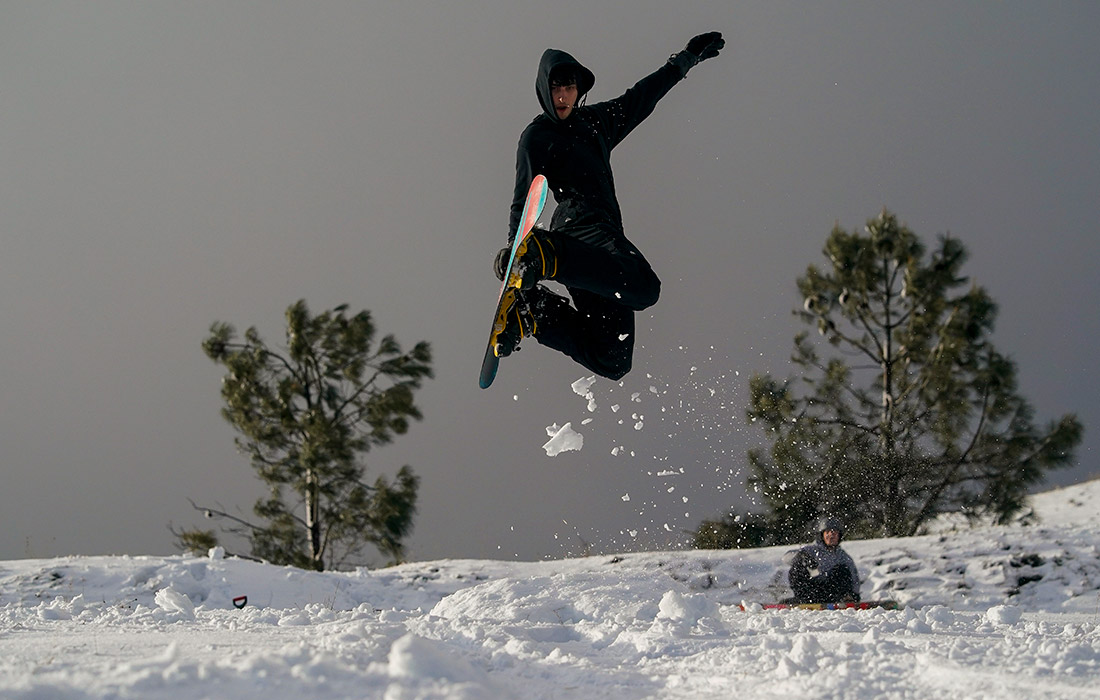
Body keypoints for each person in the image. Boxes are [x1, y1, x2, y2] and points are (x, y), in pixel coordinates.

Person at [493, 32, 725, 380]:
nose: (562, 96)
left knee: (612, 358)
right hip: (577, 229)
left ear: (578, 90)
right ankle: (545, 256)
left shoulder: (596, 123)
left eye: (569, 88)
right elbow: (523, 200)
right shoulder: (537, 137)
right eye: (555, 88)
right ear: (544, 89)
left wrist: (686, 59)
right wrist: (518, 253)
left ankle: (533, 312)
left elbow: (641, 98)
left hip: (595, 253)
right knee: (644, 288)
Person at [785, 517, 861, 604]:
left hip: (831, 593)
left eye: (835, 533)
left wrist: (855, 594)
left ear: (839, 536)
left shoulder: (843, 557)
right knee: (796, 569)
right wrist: (802, 557)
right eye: (828, 532)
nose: (831, 535)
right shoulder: (811, 550)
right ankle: (803, 600)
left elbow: (854, 576)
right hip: (811, 591)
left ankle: (845, 598)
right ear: (822, 535)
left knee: (842, 570)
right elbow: (786, 558)